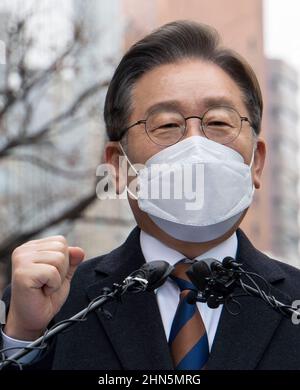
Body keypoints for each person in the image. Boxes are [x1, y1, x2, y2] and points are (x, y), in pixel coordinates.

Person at [1, 20, 300, 370]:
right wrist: (23, 338)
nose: (195, 145)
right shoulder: (49, 302)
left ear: (257, 163)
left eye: (219, 122)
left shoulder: (292, 301)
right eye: (167, 125)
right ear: (117, 165)